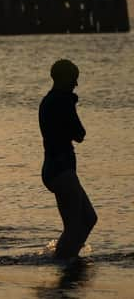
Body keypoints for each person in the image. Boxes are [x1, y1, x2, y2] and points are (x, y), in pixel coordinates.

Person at [39, 59, 97, 260]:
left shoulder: (49, 100)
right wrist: (72, 103)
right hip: (61, 168)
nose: (76, 84)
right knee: (75, 225)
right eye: (74, 79)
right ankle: (64, 262)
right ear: (64, 78)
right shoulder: (63, 100)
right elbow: (80, 134)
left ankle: (68, 257)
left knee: (88, 218)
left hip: (54, 168)